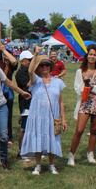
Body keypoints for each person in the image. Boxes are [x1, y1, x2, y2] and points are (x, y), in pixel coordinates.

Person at [20, 47, 67, 175]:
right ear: (38, 68)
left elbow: (60, 101)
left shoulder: (58, 82)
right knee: (38, 138)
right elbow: (30, 70)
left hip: (52, 116)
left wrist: (63, 118)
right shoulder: (36, 81)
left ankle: (52, 165)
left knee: (52, 138)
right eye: (42, 65)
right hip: (38, 116)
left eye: (47, 65)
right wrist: (35, 54)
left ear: (50, 67)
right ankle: (38, 165)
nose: (45, 67)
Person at [68, 44, 96, 166]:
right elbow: (77, 88)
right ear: (87, 56)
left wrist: (92, 87)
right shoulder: (80, 71)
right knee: (79, 130)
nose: (92, 57)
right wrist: (85, 87)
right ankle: (71, 155)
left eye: (95, 55)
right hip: (84, 103)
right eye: (90, 54)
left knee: (94, 130)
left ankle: (91, 154)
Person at [16, 50, 34, 161]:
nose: (31, 62)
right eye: (29, 60)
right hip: (26, 103)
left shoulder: (30, 70)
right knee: (25, 128)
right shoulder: (21, 73)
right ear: (22, 61)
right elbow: (28, 85)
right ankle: (21, 152)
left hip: (33, 102)